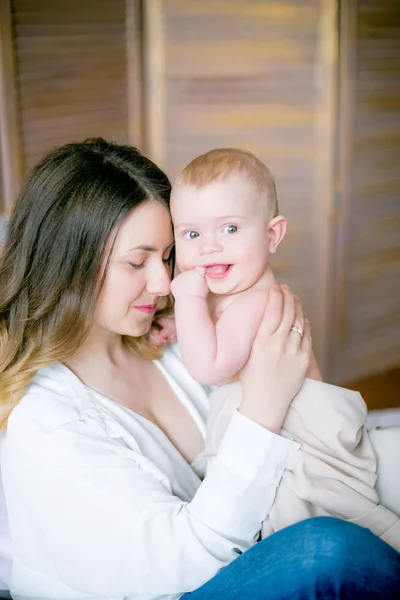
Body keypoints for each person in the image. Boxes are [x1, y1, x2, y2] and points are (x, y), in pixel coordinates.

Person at [0, 138, 399, 600]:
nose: (164, 282)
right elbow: (180, 563)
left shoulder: (162, 339)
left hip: (244, 541)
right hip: (181, 583)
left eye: (168, 255)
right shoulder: (47, 424)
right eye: (137, 261)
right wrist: (263, 407)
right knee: (329, 552)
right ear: (68, 264)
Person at [169, 148, 400, 547]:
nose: (209, 247)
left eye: (229, 229)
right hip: (290, 425)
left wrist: (186, 300)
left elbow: (209, 367)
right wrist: (180, 323)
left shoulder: (251, 302)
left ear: (272, 234)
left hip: (301, 443)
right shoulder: (244, 290)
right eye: (192, 234)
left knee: (305, 514)